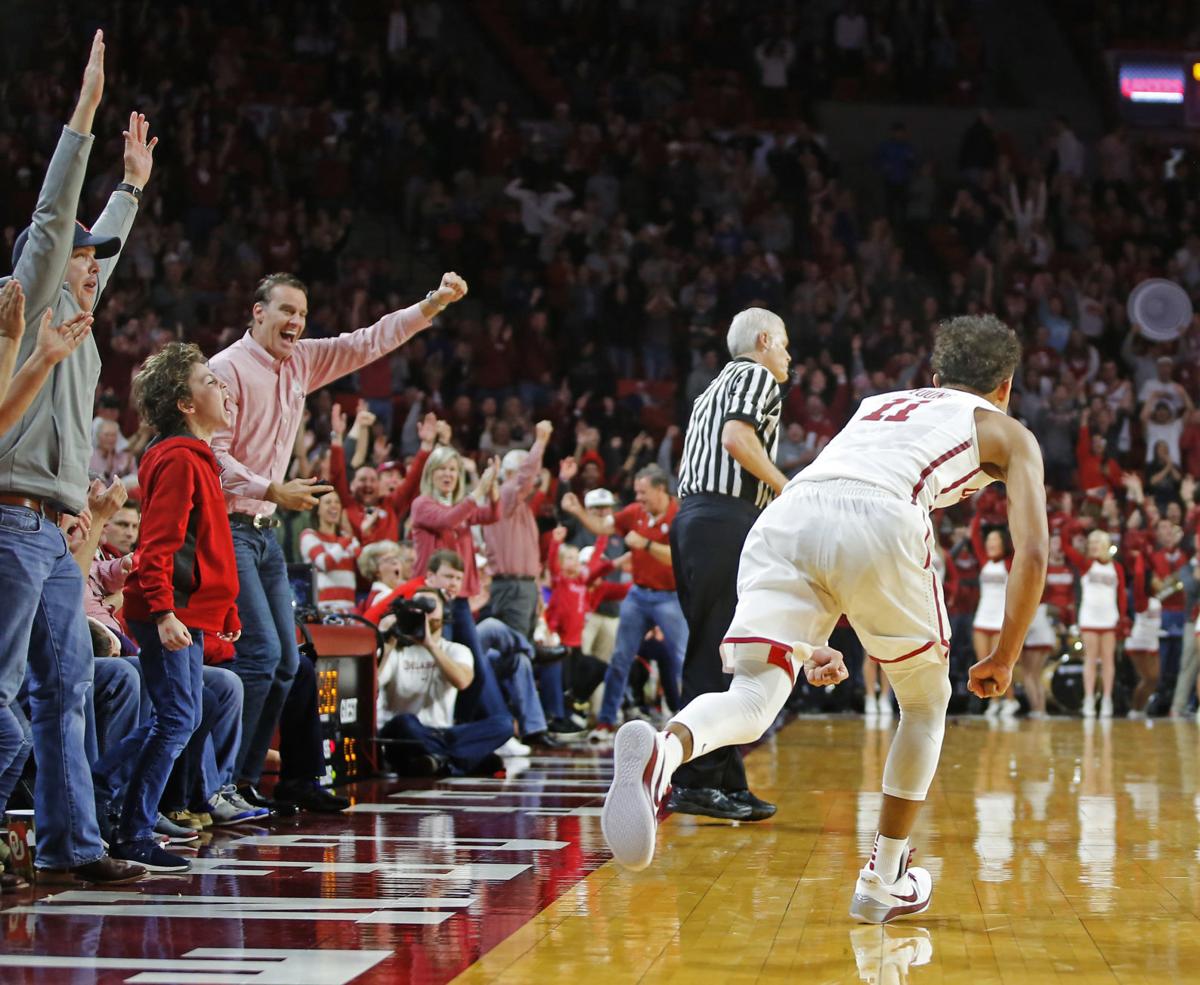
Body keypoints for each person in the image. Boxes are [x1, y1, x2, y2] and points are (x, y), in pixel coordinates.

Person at [601, 314, 1048, 928]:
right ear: (1006, 386)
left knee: (754, 695)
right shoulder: (1008, 430)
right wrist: (1005, 655)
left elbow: (837, 510)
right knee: (923, 704)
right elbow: (1034, 552)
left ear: (936, 376)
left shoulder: (879, 403)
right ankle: (883, 879)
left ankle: (665, 747)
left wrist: (819, 636)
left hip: (790, 513)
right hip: (881, 516)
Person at [209, 268, 467, 809]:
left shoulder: (302, 359)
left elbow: (368, 341)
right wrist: (271, 488)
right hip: (230, 526)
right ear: (257, 313)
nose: (295, 322)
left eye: (302, 314)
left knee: (289, 663)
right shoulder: (225, 370)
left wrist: (431, 304)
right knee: (261, 658)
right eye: (285, 311)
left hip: (265, 531)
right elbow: (212, 453)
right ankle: (218, 784)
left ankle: (247, 782)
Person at [0, 31, 155, 886]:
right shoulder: (29, 301)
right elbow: (58, 222)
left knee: (66, 693)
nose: (96, 271)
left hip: (52, 534)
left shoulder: (84, 332)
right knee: (9, 703)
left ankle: (73, 843)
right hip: (9, 518)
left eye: (102, 264)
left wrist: (131, 189)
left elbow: (102, 243)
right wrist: (85, 118)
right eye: (83, 262)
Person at [114, 342, 241, 871]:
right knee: (177, 717)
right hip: (167, 612)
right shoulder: (178, 459)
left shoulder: (194, 458)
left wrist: (225, 610)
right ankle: (124, 819)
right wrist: (165, 611)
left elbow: (203, 547)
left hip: (184, 611)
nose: (223, 387)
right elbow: (159, 544)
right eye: (210, 381)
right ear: (186, 404)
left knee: (179, 715)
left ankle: (113, 801)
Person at [667, 307, 789, 822]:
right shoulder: (756, 374)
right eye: (784, 344)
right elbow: (737, 440)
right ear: (763, 340)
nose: (787, 355)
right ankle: (693, 780)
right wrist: (789, 490)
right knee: (714, 649)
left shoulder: (712, 386)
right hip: (724, 518)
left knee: (721, 648)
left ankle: (727, 780)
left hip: (696, 517)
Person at [562, 464, 688, 743]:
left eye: (643, 492)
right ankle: (606, 721)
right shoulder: (634, 512)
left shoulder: (680, 513)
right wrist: (578, 511)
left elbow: (680, 557)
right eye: (636, 492)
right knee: (620, 657)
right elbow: (602, 527)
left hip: (670, 595)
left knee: (682, 659)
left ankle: (689, 719)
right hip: (639, 594)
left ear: (660, 489)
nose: (638, 498)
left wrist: (644, 545)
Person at [376, 587, 512, 776]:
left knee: (504, 724)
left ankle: (439, 761)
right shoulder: (397, 650)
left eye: (430, 606)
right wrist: (387, 646)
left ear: (445, 612)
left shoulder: (456, 650)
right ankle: (461, 761)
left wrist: (431, 646)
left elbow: (463, 682)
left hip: (444, 732)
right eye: (418, 606)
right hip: (406, 733)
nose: (424, 613)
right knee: (404, 722)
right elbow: (371, 687)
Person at [482, 420, 555, 638]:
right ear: (513, 473)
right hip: (512, 586)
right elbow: (525, 479)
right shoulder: (504, 495)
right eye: (533, 471)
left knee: (524, 648)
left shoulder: (521, 507)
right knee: (517, 648)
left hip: (524, 586)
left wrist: (537, 590)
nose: (536, 478)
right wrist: (540, 442)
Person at [1063, 529, 1126, 718]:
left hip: (1109, 619)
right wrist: (1071, 526)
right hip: (1089, 618)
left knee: (1108, 660)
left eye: (1097, 543)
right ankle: (1089, 698)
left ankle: (1106, 699)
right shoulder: (1085, 564)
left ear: (1105, 545)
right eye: (1091, 544)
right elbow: (1067, 547)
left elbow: (1121, 595)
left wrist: (1122, 619)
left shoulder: (1116, 568)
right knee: (1090, 659)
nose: (1093, 547)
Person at [299, 491, 360, 613]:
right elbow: (325, 563)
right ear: (317, 510)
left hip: (349, 609)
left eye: (337, 502)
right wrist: (345, 541)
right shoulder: (309, 536)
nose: (334, 505)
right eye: (328, 502)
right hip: (323, 609)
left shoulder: (348, 539)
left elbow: (365, 567)